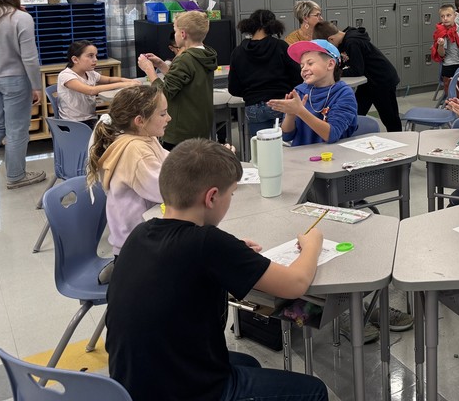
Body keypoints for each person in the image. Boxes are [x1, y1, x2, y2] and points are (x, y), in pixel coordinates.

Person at [106, 138, 328, 401]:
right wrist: (312, 243)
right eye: (231, 194)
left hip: (132, 386)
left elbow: (185, 262)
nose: (230, 200)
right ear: (211, 197)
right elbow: (296, 282)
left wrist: (229, 251)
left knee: (249, 364)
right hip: (187, 392)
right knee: (314, 391)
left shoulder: (141, 232)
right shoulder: (207, 244)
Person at [87, 85, 170, 255]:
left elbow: (171, 161)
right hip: (138, 248)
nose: (169, 118)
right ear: (140, 121)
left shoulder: (146, 137)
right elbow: (166, 190)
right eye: (162, 114)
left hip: (138, 239)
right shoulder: (136, 150)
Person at [138, 11, 217, 151]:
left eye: (175, 31)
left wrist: (149, 70)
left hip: (181, 131)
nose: (174, 35)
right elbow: (185, 81)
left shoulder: (184, 59)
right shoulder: (205, 54)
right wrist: (162, 66)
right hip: (199, 126)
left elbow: (164, 94)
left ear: (183, 34)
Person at [0, 0, 45, 189]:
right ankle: (16, 176)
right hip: (15, 79)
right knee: (17, 129)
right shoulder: (21, 18)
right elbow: (30, 58)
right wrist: (37, 86)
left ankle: (15, 171)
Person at [314, 21, 402, 132]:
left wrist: (334, 73)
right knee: (355, 112)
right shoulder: (344, 40)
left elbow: (357, 70)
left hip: (382, 81)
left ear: (331, 39)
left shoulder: (352, 42)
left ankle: (399, 141)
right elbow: (345, 63)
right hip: (368, 82)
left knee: (390, 118)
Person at [228, 9, 302, 137]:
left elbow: (234, 88)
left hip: (253, 106)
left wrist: (249, 93)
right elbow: (297, 76)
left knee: (262, 149)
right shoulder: (280, 46)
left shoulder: (238, 52)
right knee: (286, 144)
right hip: (280, 102)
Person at [268, 39, 357, 145]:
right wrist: (290, 114)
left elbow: (332, 135)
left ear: (330, 64)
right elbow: (287, 136)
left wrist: (300, 111)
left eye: (310, 63)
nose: (304, 69)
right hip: (303, 158)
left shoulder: (343, 94)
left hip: (333, 157)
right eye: (302, 66)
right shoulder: (299, 92)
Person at [57, 41, 140, 127]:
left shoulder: (90, 73)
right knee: (115, 129)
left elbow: (109, 80)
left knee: (119, 124)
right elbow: (90, 90)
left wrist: (127, 80)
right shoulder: (66, 76)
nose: (95, 59)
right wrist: (123, 85)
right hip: (73, 123)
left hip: (90, 119)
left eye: (95, 56)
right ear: (75, 59)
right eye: (90, 56)